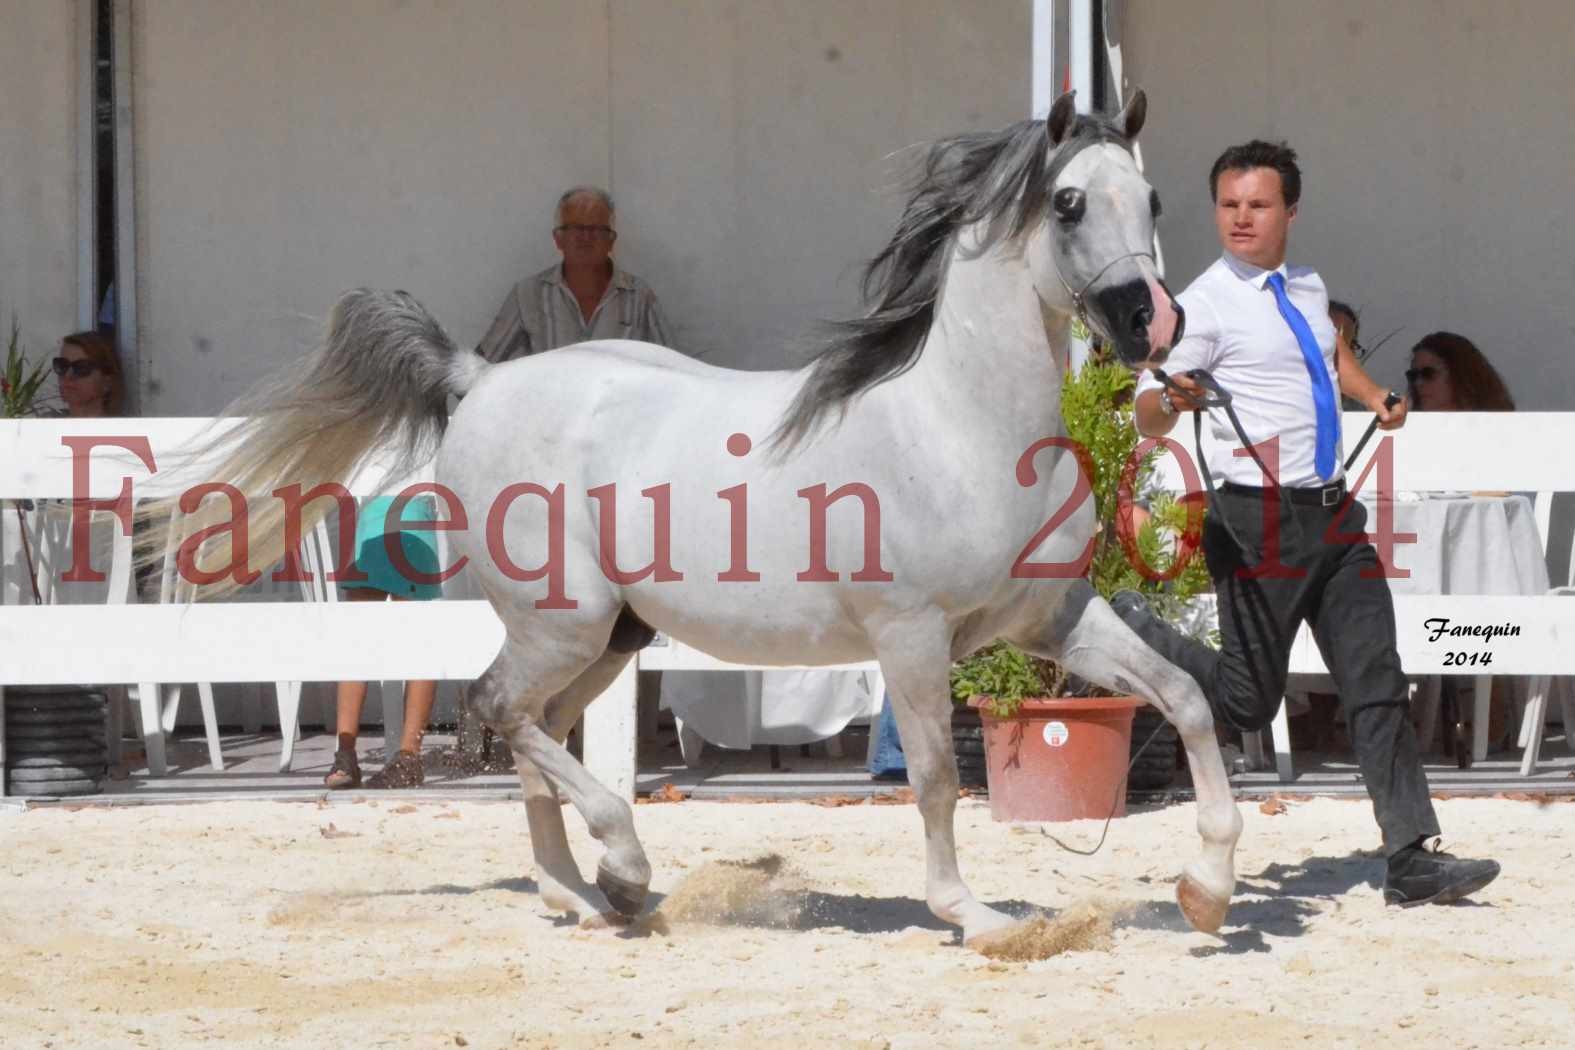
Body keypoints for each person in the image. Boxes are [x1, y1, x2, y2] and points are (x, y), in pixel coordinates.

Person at [1115, 140, 1499, 907]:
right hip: (1255, 520)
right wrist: (1176, 397)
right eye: (1228, 206)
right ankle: (1131, 630)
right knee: (1248, 705)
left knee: (1376, 680)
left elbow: (1329, 360)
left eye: (1256, 205)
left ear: (1290, 209)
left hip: (1331, 515)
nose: (1240, 219)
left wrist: (1376, 397)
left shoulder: (1307, 287)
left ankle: (1410, 857)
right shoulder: (1204, 304)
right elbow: (1146, 408)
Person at [323, 494, 443, 789]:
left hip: (409, 523)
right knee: (359, 646)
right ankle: (349, 755)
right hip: (375, 527)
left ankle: (406, 757)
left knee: (417, 646)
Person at [477, 186, 672, 361]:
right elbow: (482, 366)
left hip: (620, 402)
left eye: (596, 229)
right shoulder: (527, 295)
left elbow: (673, 369)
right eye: (576, 228)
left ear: (611, 240)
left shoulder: (638, 296)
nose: (586, 238)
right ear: (558, 239)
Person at [1407, 331, 1515, 412]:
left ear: (1459, 374)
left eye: (1428, 373)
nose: (1418, 383)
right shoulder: (1404, 434)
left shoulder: (1503, 430)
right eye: (1413, 376)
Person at [52, 331, 124, 417]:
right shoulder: (45, 428)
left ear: (107, 382)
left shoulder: (122, 429)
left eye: (81, 368)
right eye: (62, 365)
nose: (68, 375)